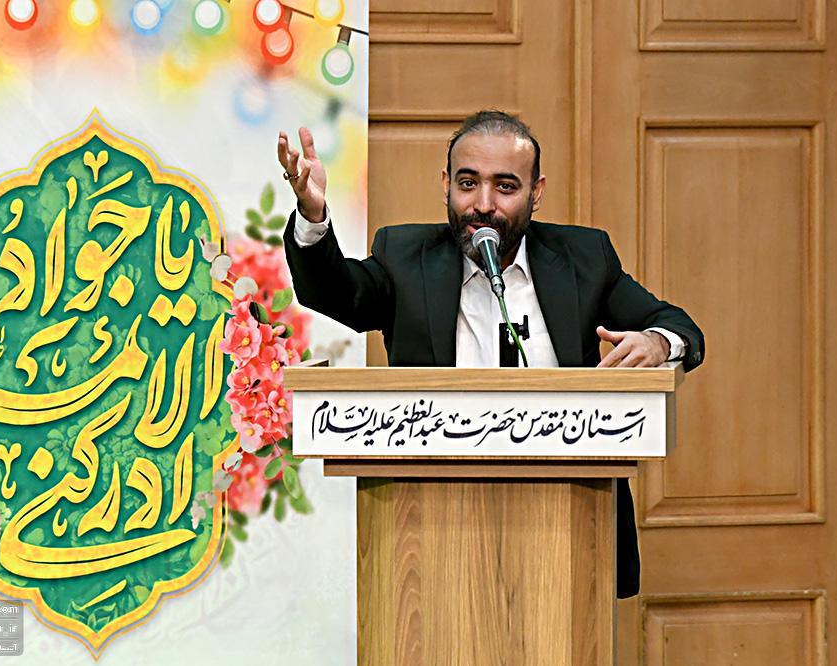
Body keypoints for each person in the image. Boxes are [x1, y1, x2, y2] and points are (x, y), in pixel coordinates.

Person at [276, 110, 704, 598]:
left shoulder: (584, 259)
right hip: (431, 533)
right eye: (468, 183)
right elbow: (336, 293)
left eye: (505, 187)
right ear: (446, 185)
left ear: (536, 192)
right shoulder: (404, 256)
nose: (483, 205)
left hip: (572, 534)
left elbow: (678, 326)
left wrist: (656, 342)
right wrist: (313, 216)